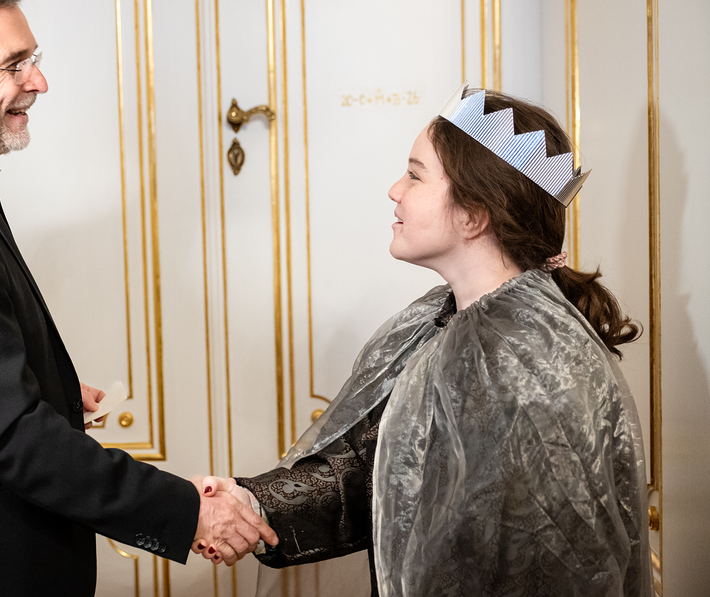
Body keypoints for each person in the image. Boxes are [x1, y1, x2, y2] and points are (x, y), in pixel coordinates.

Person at [0, 0, 275, 597]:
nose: (38, 82)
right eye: (12, 65)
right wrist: (189, 511)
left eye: (33, 60)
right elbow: (12, 437)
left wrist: (52, 389)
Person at [193, 85, 652, 596]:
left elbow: (539, 558)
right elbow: (374, 465)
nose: (395, 190)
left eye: (415, 175)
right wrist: (251, 503)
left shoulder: (527, 362)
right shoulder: (443, 320)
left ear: (474, 214)